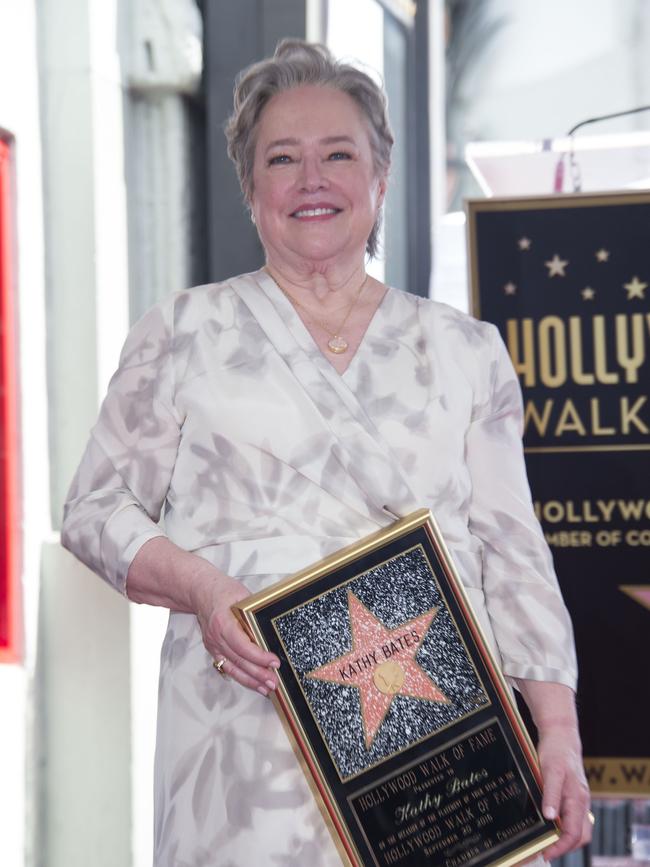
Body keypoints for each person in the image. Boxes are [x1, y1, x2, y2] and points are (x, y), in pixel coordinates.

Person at [61, 39, 591, 866]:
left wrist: (556, 729)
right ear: (251, 188)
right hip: (243, 738)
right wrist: (203, 588)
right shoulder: (182, 334)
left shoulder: (465, 350)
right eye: (283, 158)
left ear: (381, 179)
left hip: (434, 744)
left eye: (338, 154)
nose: (313, 179)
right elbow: (92, 512)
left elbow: (512, 552)